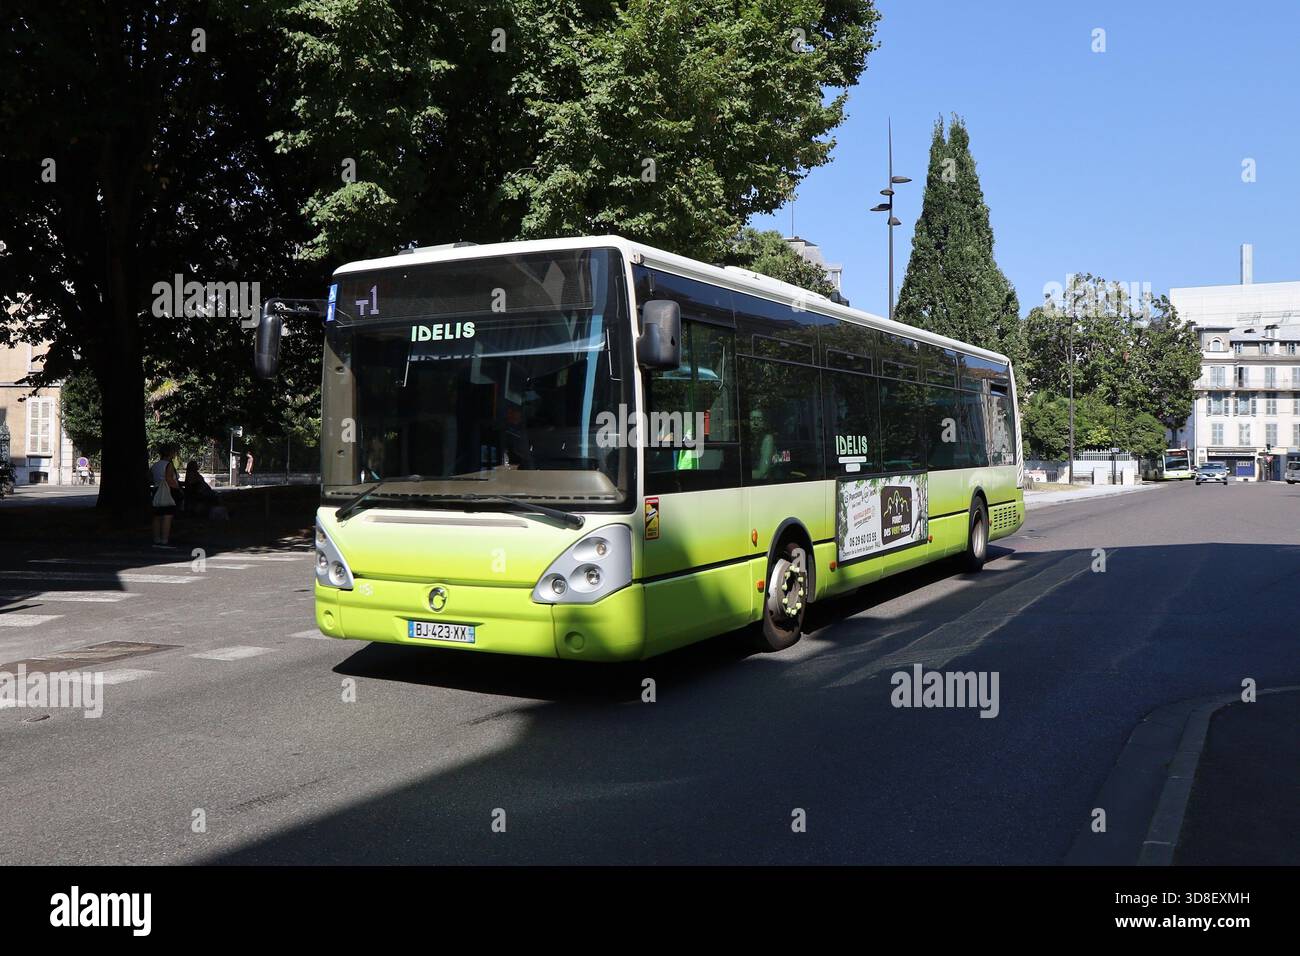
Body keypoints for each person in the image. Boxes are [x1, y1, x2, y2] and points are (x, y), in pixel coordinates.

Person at [150, 444, 181, 548]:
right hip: (167, 491)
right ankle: (165, 539)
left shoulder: (155, 465)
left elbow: (151, 478)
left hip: (156, 490)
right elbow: (169, 479)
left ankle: (156, 538)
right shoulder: (169, 465)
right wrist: (178, 489)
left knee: (157, 516)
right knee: (167, 515)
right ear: (170, 453)